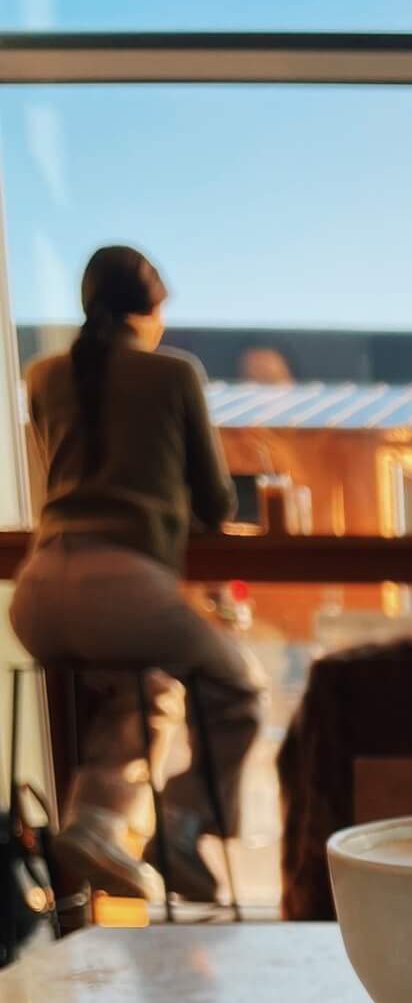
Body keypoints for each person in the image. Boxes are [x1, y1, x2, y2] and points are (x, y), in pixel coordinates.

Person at [14, 244, 265, 903]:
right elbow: (215, 504)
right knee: (239, 684)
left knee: (146, 688)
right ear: (151, 311)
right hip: (123, 588)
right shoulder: (173, 374)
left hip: (37, 592)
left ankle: (95, 822)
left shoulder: (41, 378)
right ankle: (181, 821)